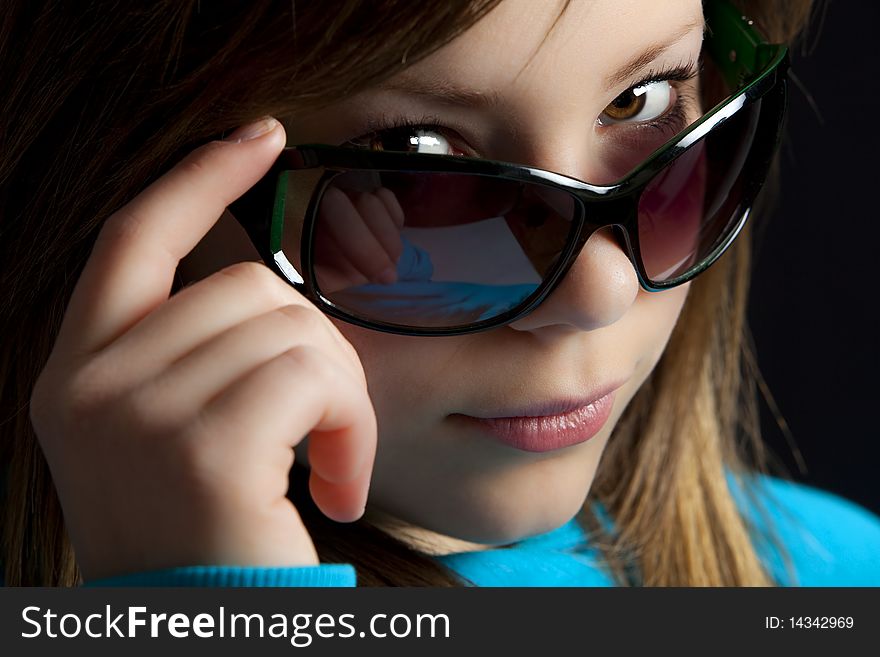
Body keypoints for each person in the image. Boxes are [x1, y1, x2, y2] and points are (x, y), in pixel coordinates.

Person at [1, 0, 877, 588]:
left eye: (643, 100)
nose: (601, 289)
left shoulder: (831, 568)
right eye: (417, 162)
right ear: (124, 192)